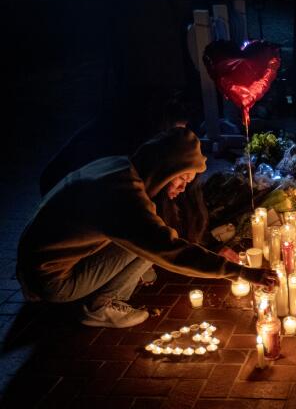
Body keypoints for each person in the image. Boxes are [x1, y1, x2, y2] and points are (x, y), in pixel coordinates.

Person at [17, 128, 273, 328]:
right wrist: (239, 272)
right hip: (52, 279)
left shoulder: (120, 166)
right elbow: (171, 251)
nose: (184, 188)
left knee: (146, 239)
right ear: (166, 168)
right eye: (182, 178)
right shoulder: (123, 196)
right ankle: (100, 306)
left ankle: (101, 288)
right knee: (149, 244)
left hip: (38, 264)